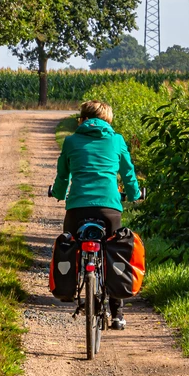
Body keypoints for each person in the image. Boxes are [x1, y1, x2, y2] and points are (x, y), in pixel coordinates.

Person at [51, 100, 140, 330]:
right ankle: (117, 314)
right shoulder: (117, 140)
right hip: (109, 208)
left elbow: (63, 176)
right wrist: (135, 194)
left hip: (77, 208)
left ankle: (69, 287)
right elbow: (128, 174)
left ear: (82, 119)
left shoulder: (70, 141)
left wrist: (59, 193)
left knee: (70, 245)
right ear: (107, 120)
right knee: (114, 251)